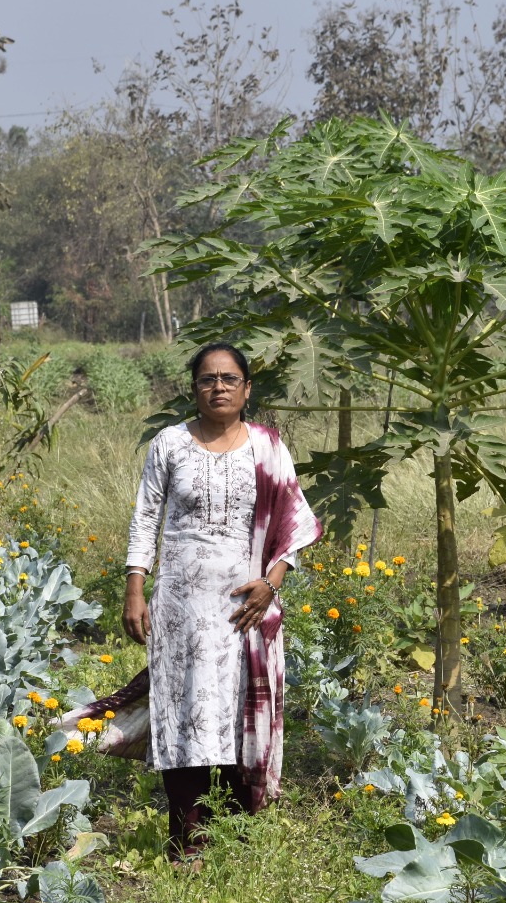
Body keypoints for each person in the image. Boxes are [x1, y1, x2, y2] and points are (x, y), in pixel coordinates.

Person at [59, 342, 321, 862]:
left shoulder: (267, 446)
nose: (218, 387)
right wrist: (135, 587)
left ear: (247, 388)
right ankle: (188, 841)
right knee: (186, 713)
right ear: (193, 388)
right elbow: (144, 520)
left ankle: (240, 837)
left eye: (228, 378)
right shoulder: (170, 444)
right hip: (180, 607)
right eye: (207, 379)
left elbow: (296, 524)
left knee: (235, 713)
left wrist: (272, 583)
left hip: (244, 610)